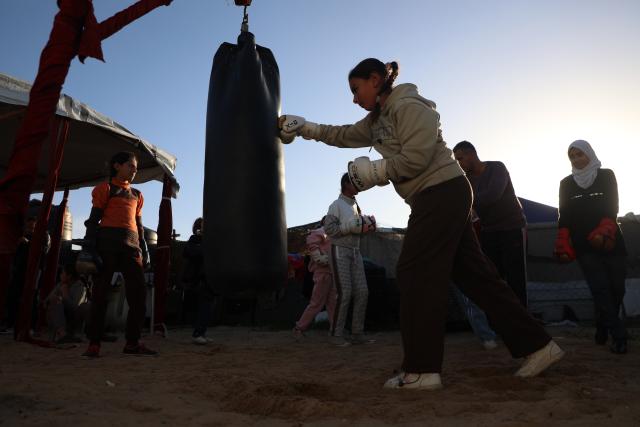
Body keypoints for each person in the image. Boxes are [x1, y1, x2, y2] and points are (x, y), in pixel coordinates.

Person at [279, 58, 563, 389]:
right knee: (478, 278)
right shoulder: (376, 121)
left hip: (442, 191)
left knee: (414, 273)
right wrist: (303, 128)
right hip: (435, 196)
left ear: (375, 80)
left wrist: (377, 171)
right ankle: (539, 346)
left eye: (356, 90)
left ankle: (422, 369)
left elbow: (418, 155)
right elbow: (341, 134)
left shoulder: (409, 104)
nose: (354, 98)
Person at [554, 140, 628, 354]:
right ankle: (619, 335)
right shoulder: (566, 183)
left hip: (611, 241)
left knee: (617, 288)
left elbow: (612, 205)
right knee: (600, 289)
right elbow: (564, 214)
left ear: (589, 154)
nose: (577, 159)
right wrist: (563, 237)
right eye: (572, 156)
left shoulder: (606, 175)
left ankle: (602, 325)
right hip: (583, 244)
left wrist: (605, 228)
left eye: (580, 154)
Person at [81, 151, 156, 358]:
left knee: (139, 296)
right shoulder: (105, 189)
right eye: (131, 166)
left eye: (135, 167)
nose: (134, 170)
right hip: (107, 246)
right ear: (117, 166)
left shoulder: (137, 195)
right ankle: (94, 343)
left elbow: (139, 227)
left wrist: (144, 250)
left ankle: (132, 343)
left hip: (132, 248)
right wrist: (88, 248)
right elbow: (93, 220)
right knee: (100, 295)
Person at [453, 141, 528, 307]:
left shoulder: (497, 168)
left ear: (471, 154)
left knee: (516, 278)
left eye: (460, 158)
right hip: (489, 232)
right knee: (495, 278)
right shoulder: (467, 181)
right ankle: (502, 323)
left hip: (512, 227)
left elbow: (493, 195)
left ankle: (523, 323)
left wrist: (467, 203)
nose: (458, 163)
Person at [322, 173, 375, 346]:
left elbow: (355, 229)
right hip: (339, 250)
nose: (359, 185)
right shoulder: (336, 205)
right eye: (355, 182)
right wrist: (349, 227)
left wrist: (366, 227)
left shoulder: (355, 206)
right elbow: (329, 229)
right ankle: (335, 334)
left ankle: (356, 333)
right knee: (345, 292)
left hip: (355, 251)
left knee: (362, 292)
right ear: (346, 183)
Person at [293, 216, 337, 339]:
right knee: (317, 303)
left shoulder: (334, 236)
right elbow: (314, 250)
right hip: (323, 272)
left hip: (332, 272)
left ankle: (335, 330)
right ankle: (299, 328)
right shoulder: (320, 232)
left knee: (333, 303)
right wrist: (321, 258)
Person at [182, 217, 215, 345]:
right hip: (198, 278)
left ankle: (202, 332)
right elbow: (189, 252)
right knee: (204, 306)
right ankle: (197, 333)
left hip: (208, 277)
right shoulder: (194, 239)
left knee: (208, 306)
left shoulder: (208, 240)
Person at [44, 263, 89, 344]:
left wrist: (65, 295)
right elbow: (46, 301)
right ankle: (62, 334)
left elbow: (75, 308)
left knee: (85, 306)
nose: (60, 275)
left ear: (69, 276)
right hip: (58, 317)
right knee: (55, 300)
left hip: (72, 318)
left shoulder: (79, 286)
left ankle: (79, 334)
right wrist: (56, 298)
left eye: (62, 273)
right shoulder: (60, 285)